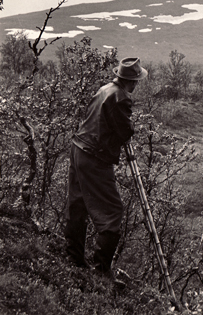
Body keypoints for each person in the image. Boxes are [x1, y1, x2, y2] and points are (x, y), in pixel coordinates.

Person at [64, 57, 147, 278]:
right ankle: (101, 271)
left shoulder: (105, 89)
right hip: (94, 157)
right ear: (133, 81)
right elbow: (124, 132)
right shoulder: (120, 98)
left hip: (78, 149)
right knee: (112, 212)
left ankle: (73, 259)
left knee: (78, 204)